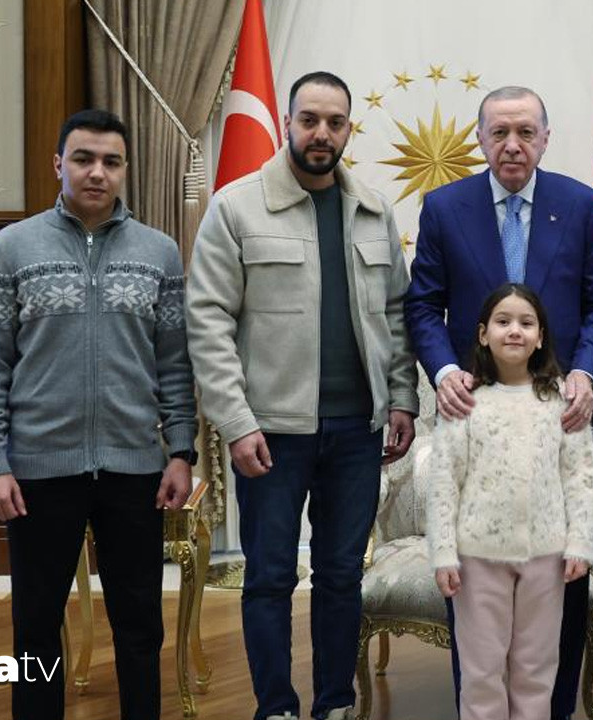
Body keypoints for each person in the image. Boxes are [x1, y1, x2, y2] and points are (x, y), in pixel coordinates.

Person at [186, 71, 418, 720]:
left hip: (357, 432)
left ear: (348, 129)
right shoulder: (236, 207)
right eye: (309, 119)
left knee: (342, 576)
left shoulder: (373, 210)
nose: (322, 133)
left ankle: (334, 704)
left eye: (335, 122)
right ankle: (277, 708)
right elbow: (207, 321)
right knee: (268, 577)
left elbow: (396, 316)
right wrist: (235, 422)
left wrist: (402, 398)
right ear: (288, 123)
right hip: (270, 434)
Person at [0, 108, 197, 720]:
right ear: (58, 164)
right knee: (35, 626)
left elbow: (175, 364)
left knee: (139, 624)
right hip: (37, 471)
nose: (97, 172)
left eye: (111, 161)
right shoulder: (12, 247)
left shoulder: (159, 252)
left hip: (134, 470)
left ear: (125, 170)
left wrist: (181, 451)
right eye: (84, 159)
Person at [405, 85, 593, 720]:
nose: (513, 145)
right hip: (474, 409)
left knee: (556, 613)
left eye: (526, 131)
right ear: (480, 139)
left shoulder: (580, 205)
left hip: (561, 407)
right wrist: (444, 370)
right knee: (478, 629)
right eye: (499, 132)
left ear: (546, 139)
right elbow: (424, 304)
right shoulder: (445, 208)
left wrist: (586, 375)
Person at [425, 283, 593, 720]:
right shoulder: (465, 401)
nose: (515, 331)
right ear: (483, 334)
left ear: (541, 337)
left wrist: (580, 543)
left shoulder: (561, 400)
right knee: (481, 672)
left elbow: (580, 476)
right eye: (503, 322)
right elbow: (444, 481)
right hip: (478, 559)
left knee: (536, 670)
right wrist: (443, 553)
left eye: (526, 322)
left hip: (547, 558)